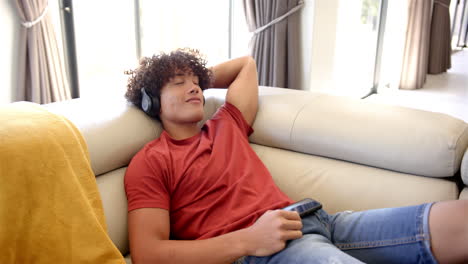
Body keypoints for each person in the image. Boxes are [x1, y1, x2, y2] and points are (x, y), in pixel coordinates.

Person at [124, 48, 468, 264]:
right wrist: (249, 239)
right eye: (178, 83)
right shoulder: (151, 161)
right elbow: (148, 253)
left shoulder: (227, 123)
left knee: (461, 221)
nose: (194, 87)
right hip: (263, 251)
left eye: (195, 81)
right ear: (150, 100)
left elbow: (246, 65)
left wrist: (196, 75)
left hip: (318, 220)